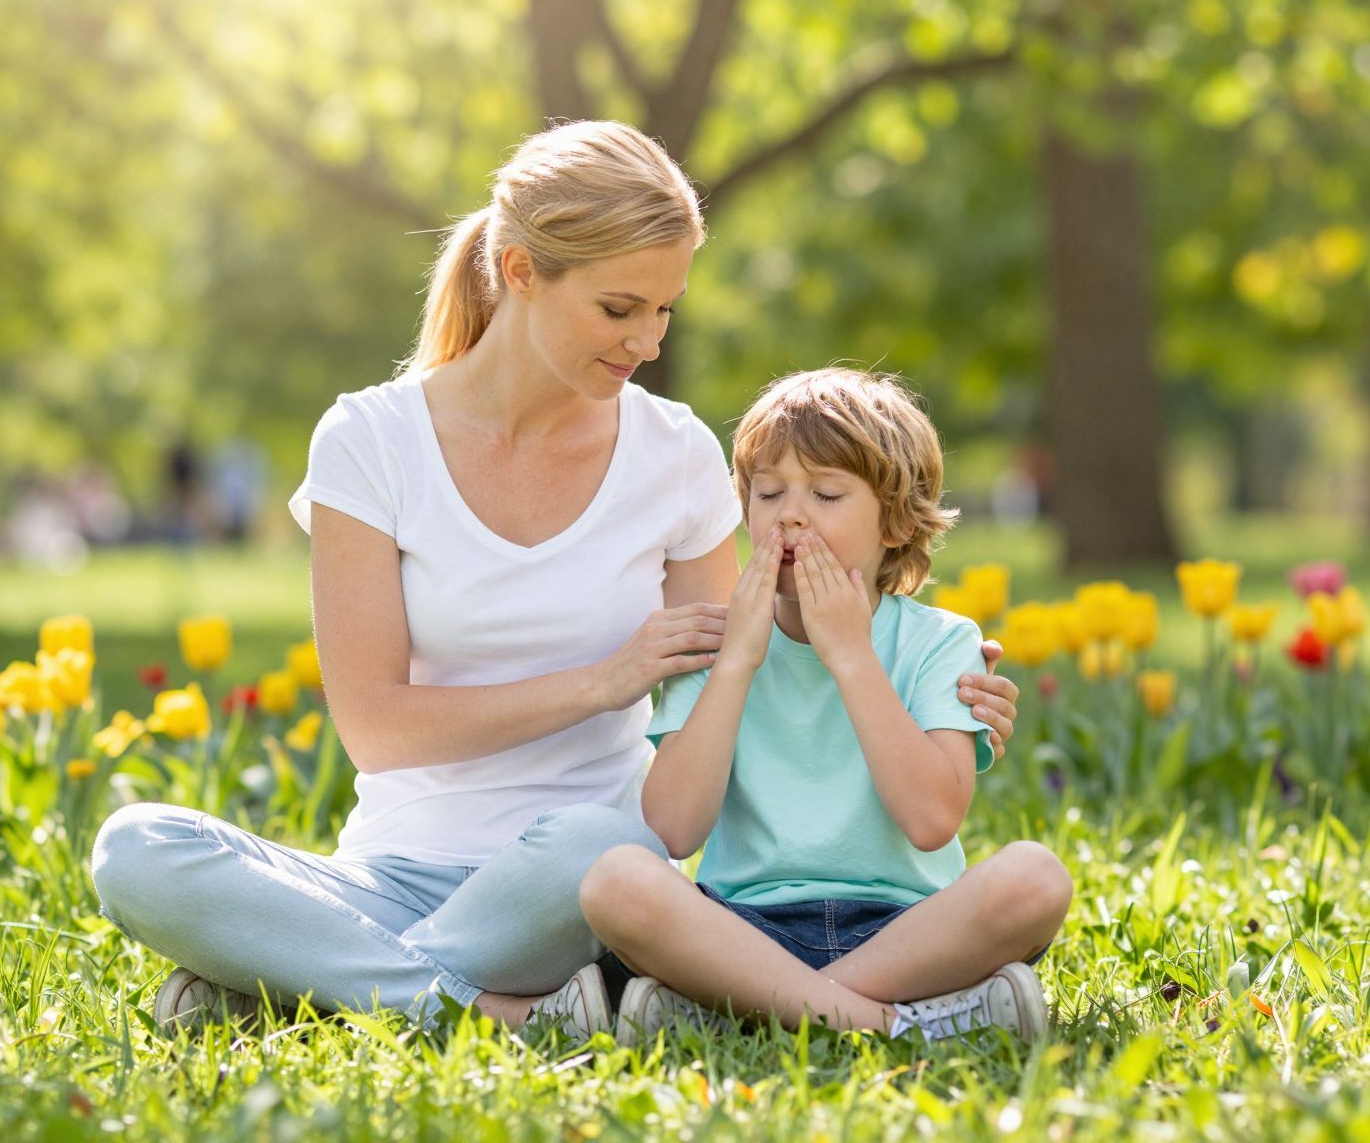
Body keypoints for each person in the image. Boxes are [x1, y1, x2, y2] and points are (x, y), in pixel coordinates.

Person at [88, 121, 1024, 1037]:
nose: (649, 342)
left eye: (665, 309)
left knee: (599, 843)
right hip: (388, 873)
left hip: (578, 881)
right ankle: (475, 1008)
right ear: (523, 273)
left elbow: (745, 663)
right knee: (136, 850)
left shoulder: (675, 455)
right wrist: (600, 683)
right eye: (620, 309)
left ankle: (309, 980)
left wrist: (931, 676)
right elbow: (376, 730)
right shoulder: (369, 441)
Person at [577, 369, 1073, 1044]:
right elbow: (673, 829)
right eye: (769, 492)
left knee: (1035, 879)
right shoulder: (716, 643)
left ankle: (750, 1012)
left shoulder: (940, 641)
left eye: (827, 493)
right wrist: (738, 665)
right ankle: (898, 1024)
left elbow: (931, 820)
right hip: (744, 928)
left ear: (896, 522)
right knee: (616, 881)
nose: (790, 514)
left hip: (905, 928)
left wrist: (852, 658)